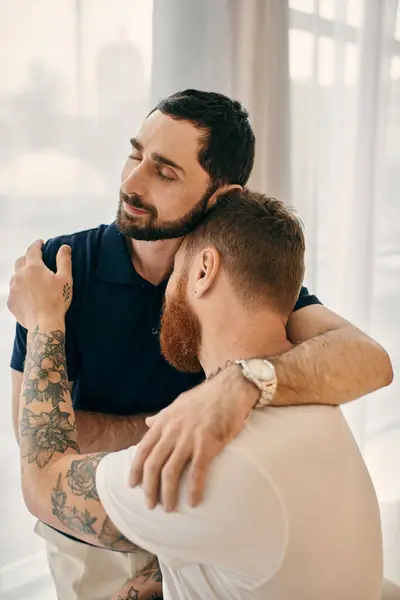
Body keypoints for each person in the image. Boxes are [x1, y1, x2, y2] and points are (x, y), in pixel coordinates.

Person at [10, 90, 392, 600]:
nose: (131, 182)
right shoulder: (61, 270)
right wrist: (189, 422)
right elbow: (36, 432)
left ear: (220, 196)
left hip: (212, 514)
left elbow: (368, 359)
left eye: (165, 172)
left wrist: (239, 385)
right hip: (98, 524)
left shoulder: (234, 275)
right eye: (135, 155)